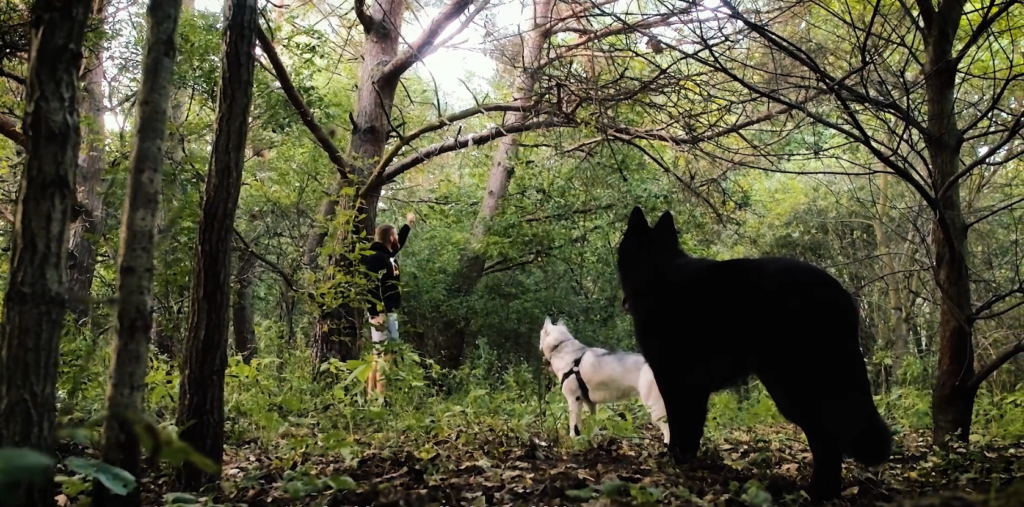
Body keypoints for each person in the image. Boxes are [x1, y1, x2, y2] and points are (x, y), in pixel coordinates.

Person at [363, 211, 415, 394]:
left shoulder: (387, 255)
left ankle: (373, 395)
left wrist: (408, 225)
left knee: (383, 354)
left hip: (389, 311)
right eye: (395, 236)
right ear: (391, 237)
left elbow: (397, 246)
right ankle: (378, 398)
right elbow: (369, 284)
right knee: (384, 355)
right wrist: (377, 311)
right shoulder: (375, 257)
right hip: (381, 312)